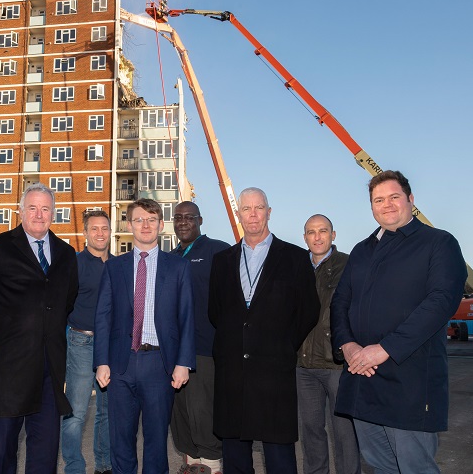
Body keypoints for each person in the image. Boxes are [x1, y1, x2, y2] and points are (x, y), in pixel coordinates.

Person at [330, 171, 467, 473]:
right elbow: (340, 302)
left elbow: (440, 302)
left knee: (414, 466)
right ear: (372, 207)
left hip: (410, 384)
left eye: (394, 197)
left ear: (411, 200)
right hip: (362, 378)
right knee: (380, 466)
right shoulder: (361, 251)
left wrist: (385, 348)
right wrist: (348, 345)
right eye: (379, 200)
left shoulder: (438, 243)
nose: (387, 204)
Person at [0, 183, 78, 474]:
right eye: (32, 208)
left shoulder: (66, 254)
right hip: (8, 365)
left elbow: (68, 299)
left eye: (45, 208)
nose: (39, 214)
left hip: (48, 365)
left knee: (45, 447)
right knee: (2, 446)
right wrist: (5, 330)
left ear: (54, 213)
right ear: (20, 211)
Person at [209, 187, 319, 474]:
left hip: (274, 371)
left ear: (269, 212)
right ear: (238, 214)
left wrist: (282, 344)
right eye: (247, 209)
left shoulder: (295, 258)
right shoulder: (222, 261)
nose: (253, 214)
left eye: (259, 208)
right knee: (234, 451)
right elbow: (215, 311)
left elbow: (308, 311)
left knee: (279, 452)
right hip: (232, 371)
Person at [94, 198, 195, 474]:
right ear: (129, 225)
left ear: (161, 225)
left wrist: (183, 362)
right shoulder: (114, 268)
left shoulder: (178, 267)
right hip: (120, 364)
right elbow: (103, 317)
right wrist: (101, 361)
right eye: (139, 220)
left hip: (159, 364)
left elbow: (187, 318)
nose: (145, 225)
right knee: (120, 440)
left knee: (156, 441)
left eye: (151, 220)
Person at [169, 201, 230, 474]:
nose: (183, 222)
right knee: (178, 408)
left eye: (189, 217)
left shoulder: (219, 250)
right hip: (171, 348)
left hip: (205, 346)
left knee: (202, 407)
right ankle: (191, 458)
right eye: (178, 218)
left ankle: (212, 461)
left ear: (200, 220)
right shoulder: (170, 256)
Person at [297, 214, 360, 474]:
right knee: (311, 431)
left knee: (344, 431)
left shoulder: (349, 265)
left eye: (323, 231)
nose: (317, 237)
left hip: (336, 363)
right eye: (311, 232)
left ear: (333, 235)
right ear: (305, 238)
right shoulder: (297, 266)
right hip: (302, 364)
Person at [61, 210, 113, 474]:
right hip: (81, 341)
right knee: (76, 412)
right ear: (85, 233)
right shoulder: (75, 264)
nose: (100, 233)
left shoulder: (118, 265)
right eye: (94, 229)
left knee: (106, 411)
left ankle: (104, 465)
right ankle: (74, 466)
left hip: (111, 347)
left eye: (104, 228)